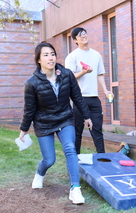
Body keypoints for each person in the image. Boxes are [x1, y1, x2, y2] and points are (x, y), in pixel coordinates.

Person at [19, 42, 92, 204]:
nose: (50, 57)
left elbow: (77, 97)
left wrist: (87, 116)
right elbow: (29, 109)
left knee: (70, 149)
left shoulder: (66, 74)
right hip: (44, 123)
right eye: (46, 55)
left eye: (52, 54)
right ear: (38, 59)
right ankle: (40, 173)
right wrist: (24, 130)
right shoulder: (32, 83)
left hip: (65, 118)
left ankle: (75, 189)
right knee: (49, 160)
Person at [65, 27, 113, 154]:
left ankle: (102, 160)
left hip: (94, 99)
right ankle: (75, 161)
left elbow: (100, 74)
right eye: (80, 35)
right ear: (75, 40)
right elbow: (69, 77)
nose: (83, 36)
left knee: (97, 131)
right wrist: (83, 72)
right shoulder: (72, 56)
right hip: (79, 99)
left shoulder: (96, 55)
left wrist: (106, 90)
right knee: (77, 132)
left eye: (84, 33)